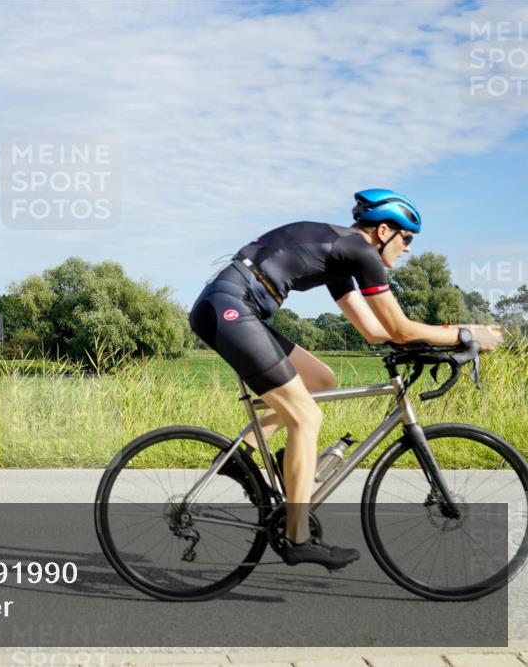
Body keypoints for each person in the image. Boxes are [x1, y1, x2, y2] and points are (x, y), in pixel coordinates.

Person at [188, 189, 503, 569]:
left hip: (231, 307)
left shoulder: (342, 256)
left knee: (321, 379)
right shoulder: (358, 251)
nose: (408, 249)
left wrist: (436, 342)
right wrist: (465, 333)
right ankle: (297, 538)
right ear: (383, 231)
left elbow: (375, 332)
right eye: (406, 238)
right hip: (229, 309)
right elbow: (399, 328)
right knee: (306, 417)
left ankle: (242, 457)